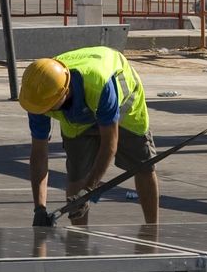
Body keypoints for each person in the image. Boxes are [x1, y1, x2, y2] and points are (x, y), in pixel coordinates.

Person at [20, 46, 160, 227]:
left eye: (49, 107)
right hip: (77, 117)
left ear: (64, 93)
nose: (44, 111)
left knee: (143, 166)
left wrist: (89, 189)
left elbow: (110, 144)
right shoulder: (38, 96)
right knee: (77, 174)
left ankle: (152, 230)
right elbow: (39, 153)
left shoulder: (99, 84)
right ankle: (78, 238)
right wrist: (39, 208)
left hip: (125, 110)